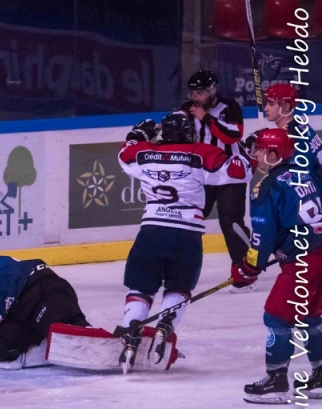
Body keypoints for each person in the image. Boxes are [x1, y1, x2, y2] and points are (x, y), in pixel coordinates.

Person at [117, 112, 252, 374]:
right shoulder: (201, 152)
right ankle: (164, 327)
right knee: (178, 289)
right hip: (186, 235)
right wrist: (246, 152)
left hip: (152, 231)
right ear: (189, 133)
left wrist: (135, 136)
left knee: (140, 288)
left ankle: (132, 331)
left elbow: (124, 155)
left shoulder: (144, 152)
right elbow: (239, 172)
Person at [237, 129, 322, 404]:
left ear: (273, 155)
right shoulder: (305, 174)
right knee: (311, 315)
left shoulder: (266, 185)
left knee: (276, 316)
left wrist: (248, 269)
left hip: (303, 261)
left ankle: (276, 382)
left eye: (260, 150)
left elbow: (262, 238)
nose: (256, 155)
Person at [179, 70, 254, 293]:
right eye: (193, 91)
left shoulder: (229, 108)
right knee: (187, 220)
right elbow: (172, 126)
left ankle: (245, 273)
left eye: (200, 92)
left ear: (212, 91)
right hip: (201, 174)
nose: (195, 96)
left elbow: (233, 136)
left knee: (231, 222)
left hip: (230, 173)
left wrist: (207, 118)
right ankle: (179, 270)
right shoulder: (187, 108)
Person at [245, 84, 322, 168]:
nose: (266, 108)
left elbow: (282, 170)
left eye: (271, 104)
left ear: (286, 106)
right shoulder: (298, 123)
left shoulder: (291, 134)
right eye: (266, 104)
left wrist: (263, 146)